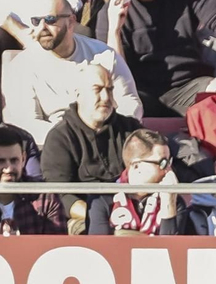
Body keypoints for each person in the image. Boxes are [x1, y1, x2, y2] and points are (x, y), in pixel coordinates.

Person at [2, 0, 142, 144]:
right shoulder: (22, 65)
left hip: (107, 138)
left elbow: (130, 103)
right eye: (36, 21)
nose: (42, 28)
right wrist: (74, 138)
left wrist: (109, 132)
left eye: (50, 20)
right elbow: (27, 124)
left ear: (71, 22)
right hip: (54, 145)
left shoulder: (104, 55)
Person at [40, 61, 146, 235]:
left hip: (135, 214)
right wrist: (102, 216)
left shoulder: (131, 129)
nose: (105, 97)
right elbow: (60, 195)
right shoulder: (60, 138)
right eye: (97, 89)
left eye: (110, 89)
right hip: (83, 219)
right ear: (78, 94)